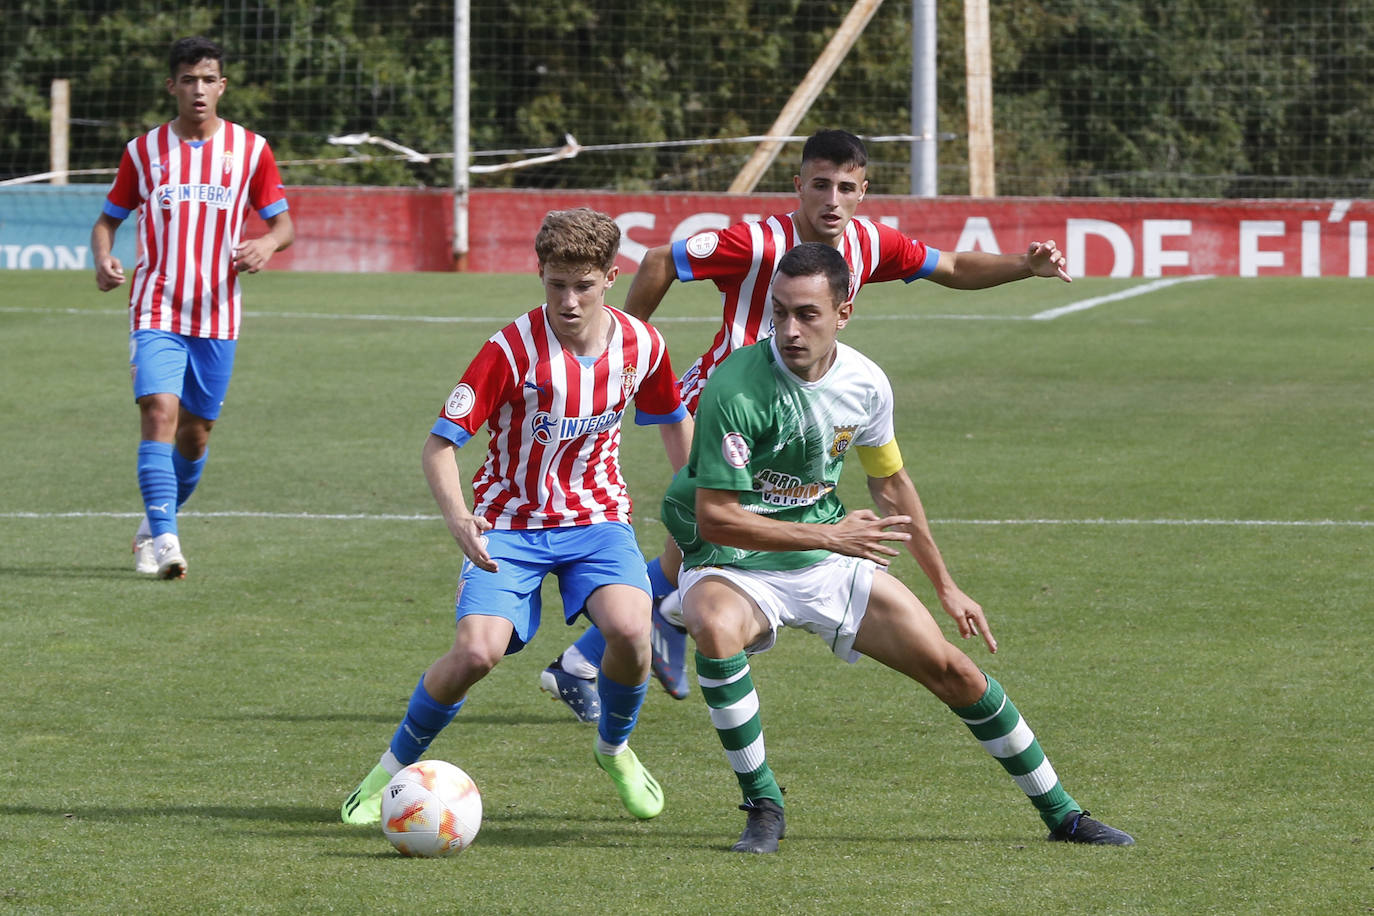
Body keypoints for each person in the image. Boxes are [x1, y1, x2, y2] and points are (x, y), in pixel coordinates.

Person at [540, 128, 1072, 718]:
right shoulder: (762, 241)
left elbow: (950, 265)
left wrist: (1025, 265)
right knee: (707, 528)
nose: (833, 200)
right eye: (821, 185)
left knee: (694, 543)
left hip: (787, 413)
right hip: (722, 404)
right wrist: (624, 349)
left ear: (864, 192)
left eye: (846, 187)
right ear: (799, 186)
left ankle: (621, 641)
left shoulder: (870, 241)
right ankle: (617, 645)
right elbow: (663, 259)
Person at [661, 242, 1133, 852]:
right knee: (717, 629)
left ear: (845, 312)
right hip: (734, 555)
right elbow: (719, 520)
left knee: (952, 670)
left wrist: (946, 585)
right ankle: (764, 806)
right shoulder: (736, 386)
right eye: (779, 312)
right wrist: (833, 534)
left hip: (823, 554)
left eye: (807, 314)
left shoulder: (866, 384)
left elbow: (889, 485)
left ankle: (1064, 814)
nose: (789, 329)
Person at [341, 208, 693, 826]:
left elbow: (671, 420)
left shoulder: (644, 344)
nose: (569, 300)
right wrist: (459, 517)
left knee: (633, 630)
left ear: (611, 276)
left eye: (583, 285)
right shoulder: (510, 350)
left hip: (598, 521)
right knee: (477, 654)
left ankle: (614, 749)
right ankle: (388, 773)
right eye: (556, 284)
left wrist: (698, 502)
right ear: (540, 274)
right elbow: (439, 445)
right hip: (509, 523)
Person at [91, 36, 294, 579]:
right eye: (188, 79)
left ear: (221, 86)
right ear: (172, 86)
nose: (198, 89)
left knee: (196, 432)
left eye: (208, 79)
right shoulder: (143, 151)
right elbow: (108, 219)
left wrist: (266, 245)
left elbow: (284, 225)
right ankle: (166, 542)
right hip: (156, 305)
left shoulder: (251, 150)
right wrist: (104, 258)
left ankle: (152, 525)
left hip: (218, 314)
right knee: (158, 412)